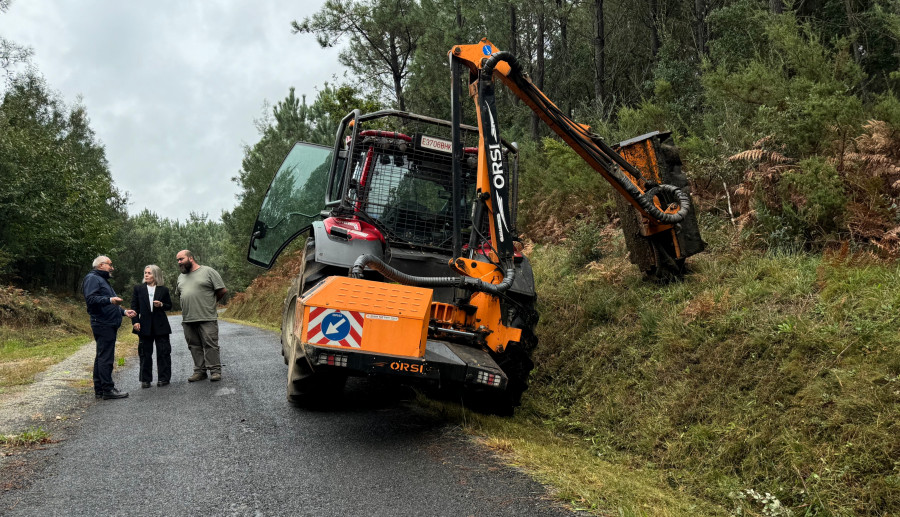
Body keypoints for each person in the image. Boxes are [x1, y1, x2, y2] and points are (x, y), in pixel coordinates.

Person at [82, 255, 137, 400]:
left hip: (107, 323)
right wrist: (110, 299)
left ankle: (100, 389)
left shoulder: (102, 280)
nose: (112, 267)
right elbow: (91, 299)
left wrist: (124, 312)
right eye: (109, 264)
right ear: (100, 265)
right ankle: (108, 389)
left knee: (101, 356)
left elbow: (111, 304)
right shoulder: (92, 278)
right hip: (102, 323)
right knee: (106, 357)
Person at [175, 250, 227, 382]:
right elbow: (181, 294)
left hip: (206, 316)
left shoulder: (208, 271)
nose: (179, 262)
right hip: (188, 318)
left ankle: (215, 371)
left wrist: (211, 303)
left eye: (181, 259)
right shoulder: (181, 277)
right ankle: (200, 371)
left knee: (210, 344)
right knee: (194, 345)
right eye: (178, 260)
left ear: (191, 258)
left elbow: (222, 290)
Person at [130, 265, 173, 389]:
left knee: (164, 352)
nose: (146, 275)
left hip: (161, 325)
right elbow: (134, 307)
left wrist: (161, 304)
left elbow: (169, 306)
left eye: (149, 273)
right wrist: (135, 321)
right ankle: (145, 380)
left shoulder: (163, 290)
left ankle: (164, 378)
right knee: (144, 353)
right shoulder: (138, 289)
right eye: (145, 272)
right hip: (144, 326)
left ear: (156, 275)